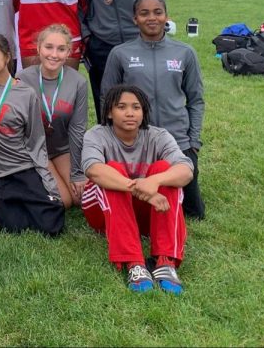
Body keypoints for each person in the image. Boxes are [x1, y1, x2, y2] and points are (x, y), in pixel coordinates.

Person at [100, 0, 206, 218]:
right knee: (138, 207)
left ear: (166, 16)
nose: (152, 18)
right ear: (134, 18)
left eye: (158, 12)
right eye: (144, 13)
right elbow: (106, 100)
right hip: (136, 140)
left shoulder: (185, 52)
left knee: (192, 212)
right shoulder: (120, 54)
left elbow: (196, 100)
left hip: (177, 140)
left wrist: (193, 142)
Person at [81, 84, 193, 294]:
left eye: (136, 107)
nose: (130, 113)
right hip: (102, 213)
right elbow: (93, 170)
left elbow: (186, 170)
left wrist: (155, 181)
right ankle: (134, 262)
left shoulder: (158, 136)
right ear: (109, 112)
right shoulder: (97, 135)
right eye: (121, 107)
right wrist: (137, 187)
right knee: (111, 171)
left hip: (146, 212)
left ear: (144, 112)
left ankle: (165, 261)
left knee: (164, 170)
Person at [0, 34, 64, 236]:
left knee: (51, 224)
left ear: (7, 56)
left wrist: (47, 180)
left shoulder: (26, 94)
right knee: (11, 225)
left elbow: (35, 140)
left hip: (21, 166)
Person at [15, 24, 89, 208]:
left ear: (69, 52)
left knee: (81, 198)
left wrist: (77, 172)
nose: (54, 54)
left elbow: (77, 129)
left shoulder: (78, 81)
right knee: (63, 201)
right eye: (49, 47)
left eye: (61, 49)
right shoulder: (22, 78)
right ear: (38, 48)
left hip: (62, 149)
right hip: (35, 151)